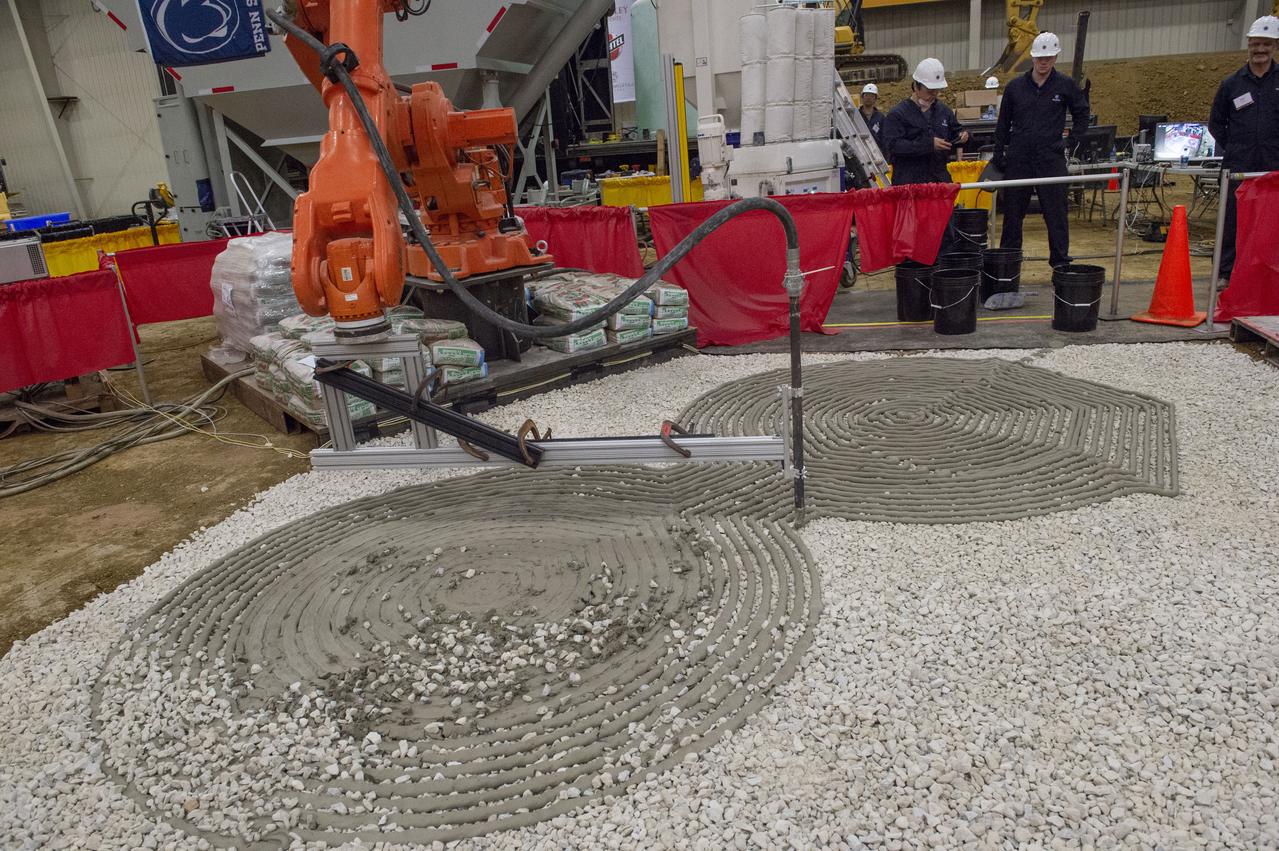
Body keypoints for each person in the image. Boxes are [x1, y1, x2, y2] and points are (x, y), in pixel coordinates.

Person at [991, 32, 1090, 269]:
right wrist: (998, 154)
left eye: (1048, 58)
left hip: (1050, 159)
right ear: (1032, 58)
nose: (1043, 63)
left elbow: (1082, 113)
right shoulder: (1015, 87)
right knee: (1013, 215)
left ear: (1055, 57)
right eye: (1039, 58)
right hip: (1019, 159)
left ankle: (1060, 263)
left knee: (1056, 213)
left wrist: (1071, 141)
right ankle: (1009, 263)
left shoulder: (1065, 85)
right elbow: (1003, 123)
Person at [1209, 15, 1279, 291]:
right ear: (1248, 45)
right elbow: (1216, 123)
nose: (1260, 50)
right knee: (1232, 221)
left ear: (1274, 46)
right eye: (1255, 44)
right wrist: (1237, 147)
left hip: (1273, 165)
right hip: (1239, 165)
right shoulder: (1232, 84)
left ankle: (1268, 273)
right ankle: (1227, 272)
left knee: (1271, 221)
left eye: (1266, 44)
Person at [881, 58, 969, 185]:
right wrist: (928, 145)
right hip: (910, 184)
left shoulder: (943, 111)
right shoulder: (898, 114)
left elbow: (956, 131)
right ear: (916, 86)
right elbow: (893, 145)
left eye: (936, 91)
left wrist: (964, 136)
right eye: (929, 91)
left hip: (939, 182)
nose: (933, 95)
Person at [859, 83, 885, 153]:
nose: (868, 98)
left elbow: (884, 139)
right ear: (862, 97)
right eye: (866, 95)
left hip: (877, 153)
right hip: (860, 152)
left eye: (872, 96)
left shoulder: (881, 117)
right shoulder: (856, 116)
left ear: (875, 98)